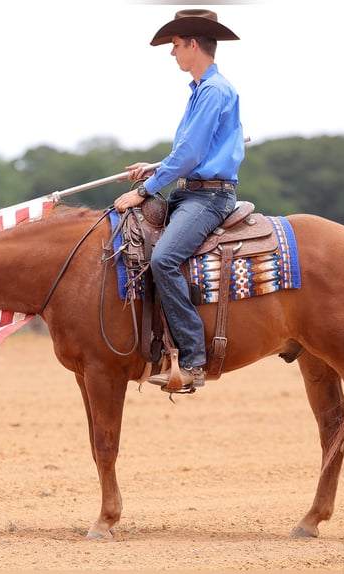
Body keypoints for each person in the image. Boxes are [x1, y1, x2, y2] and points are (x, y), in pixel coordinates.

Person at [113, 9, 245, 392]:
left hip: (207, 199)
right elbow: (194, 152)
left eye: (174, 45)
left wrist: (144, 189)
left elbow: (189, 155)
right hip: (190, 191)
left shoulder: (214, 91)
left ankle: (192, 359)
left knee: (164, 259)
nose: (172, 54)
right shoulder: (201, 90)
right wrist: (154, 168)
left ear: (192, 43)